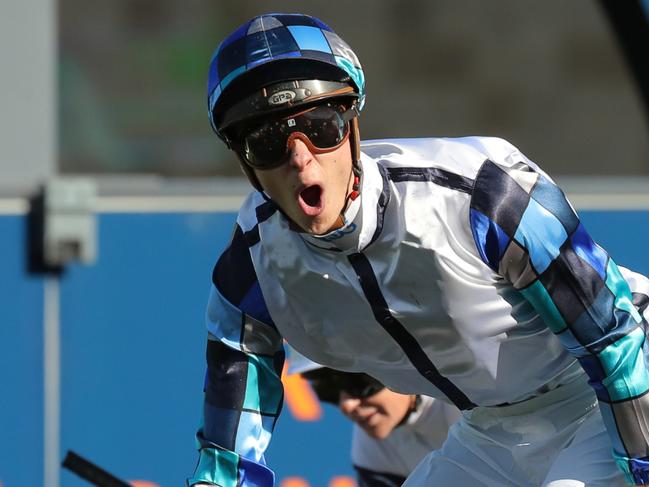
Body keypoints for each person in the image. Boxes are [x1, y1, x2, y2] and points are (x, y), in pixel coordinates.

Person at [189, 12, 649, 487]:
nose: (301, 158)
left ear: (351, 127)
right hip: (493, 429)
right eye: (267, 142)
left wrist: (642, 461)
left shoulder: (484, 193)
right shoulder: (250, 267)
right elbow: (227, 457)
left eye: (321, 125)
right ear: (246, 164)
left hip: (620, 380)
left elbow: (614, 337)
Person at [287, 349, 461, 487]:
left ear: (401, 365)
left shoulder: (472, 398)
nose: (347, 405)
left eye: (356, 382)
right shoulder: (371, 454)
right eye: (327, 390)